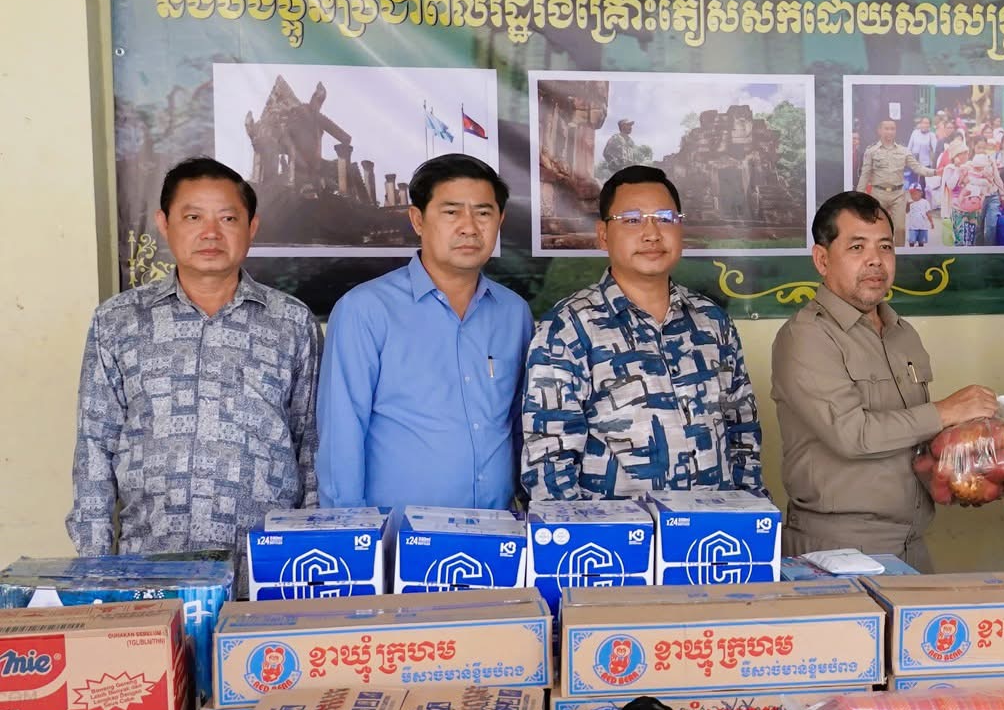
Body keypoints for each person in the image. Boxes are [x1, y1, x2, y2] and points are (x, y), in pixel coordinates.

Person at [68, 157, 320, 553]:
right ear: (164, 223)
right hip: (151, 557)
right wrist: (95, 563)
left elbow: (312, 445)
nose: (211, 233)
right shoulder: (118, 320)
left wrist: (309, 552)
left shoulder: (291, 321)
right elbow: (94, 446)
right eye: (193, 217)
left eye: (228, 219)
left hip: (264, 562)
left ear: (252, 227)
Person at [772, 192, 1000, 569]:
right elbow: (853, 435)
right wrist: (946, 411)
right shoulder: (806, 337)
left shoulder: (901, 332)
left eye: (885, 246)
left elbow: (914, 438)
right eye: (857, 247)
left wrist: (973, 455)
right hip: (837, 548)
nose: (875, 260)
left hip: (912, 540)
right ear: (822, 259)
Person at [522, 166, 763, 500]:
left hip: (713, 528)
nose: (652, 233)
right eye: (632, 220)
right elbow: (549, 460)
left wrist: (750, 514)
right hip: (615, 531)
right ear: (603, 235)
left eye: (664, 218)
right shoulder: (569, 328)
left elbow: (743, 430)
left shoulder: (712, 321)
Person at [317, 154, 533, 510]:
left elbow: (520, 423)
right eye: (451, 212)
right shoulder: (366, 310)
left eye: (483, 213)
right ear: (418, 220)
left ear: (500, 220)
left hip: (496, 531)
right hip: (396, 535)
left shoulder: (514, 313)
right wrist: (350, 532)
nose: (469, 227)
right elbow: (342, 433)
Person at [856, 118, 933, 247]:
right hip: (878, 194)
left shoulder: (903, 151)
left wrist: (935, 172)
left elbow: (918, 168)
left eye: (892, 129)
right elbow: (865, 174)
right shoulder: (871, 151)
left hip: (898, 195)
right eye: (886, 128)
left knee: (900, 229)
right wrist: (858, 196)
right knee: (877, 229)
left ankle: (900, 255)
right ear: (879, 130)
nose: (890, 131)